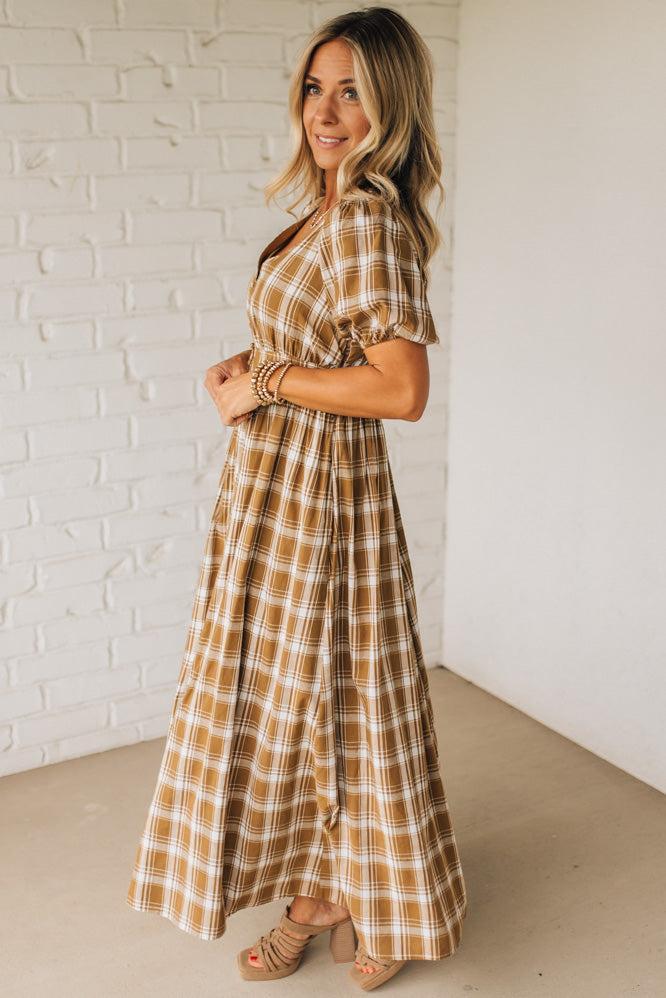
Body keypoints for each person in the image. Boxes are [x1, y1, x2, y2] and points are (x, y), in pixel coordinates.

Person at [126, 7, 467, 992]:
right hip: (279, 489)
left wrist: (269, 383)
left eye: (352, 91)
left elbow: (400, 388)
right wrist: (253, 362)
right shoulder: (325, 212)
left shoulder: (365, 218)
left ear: (390, 105)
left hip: (323, 496)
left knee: (341, 699)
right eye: (316, 88)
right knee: (312, 700)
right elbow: (330, 344)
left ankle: (370, 900)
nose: (325, 111)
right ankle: (331, 891)